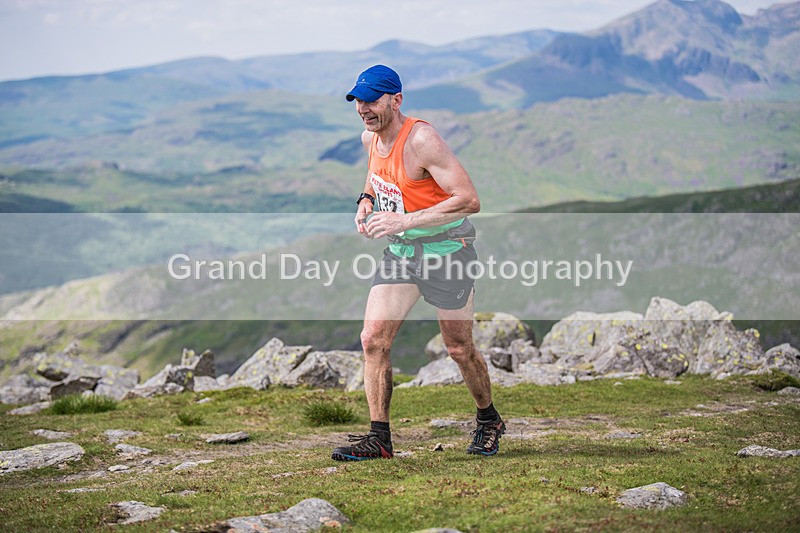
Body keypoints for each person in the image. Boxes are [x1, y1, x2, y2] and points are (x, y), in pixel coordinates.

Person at [331, 65, 505, 461]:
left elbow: (469, 200)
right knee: (373, 340)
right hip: (402, 254)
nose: (364, 109)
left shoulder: (423, 140)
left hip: (448, 252)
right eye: (359, 100)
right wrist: (365, 202)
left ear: (396, 99)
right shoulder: (369, 138)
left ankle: (488, 419)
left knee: (459, 349)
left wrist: (404, 219)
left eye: (372, 100)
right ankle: (379, 439)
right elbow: (375, 176)